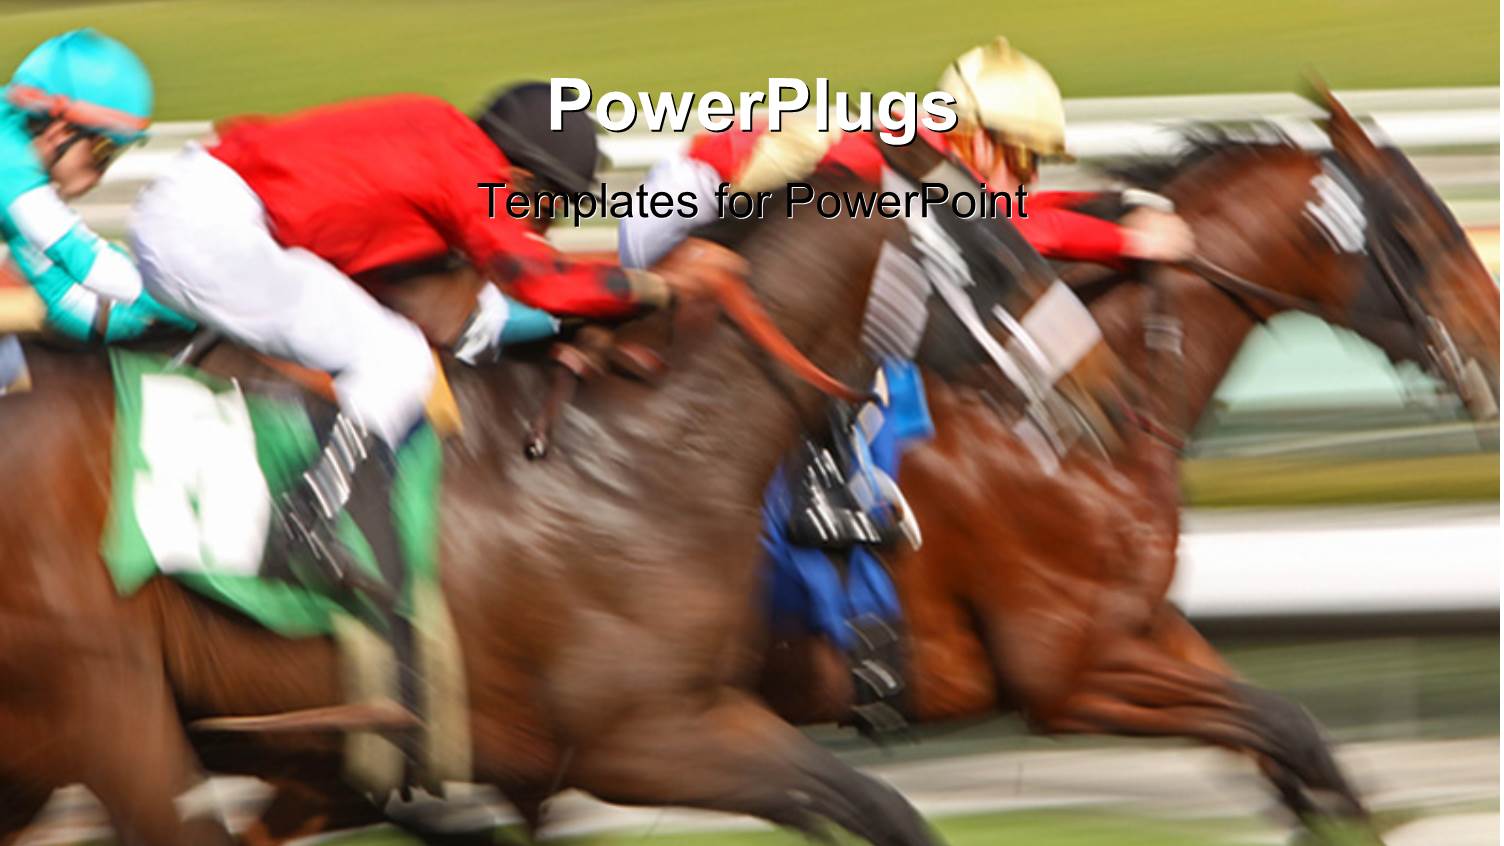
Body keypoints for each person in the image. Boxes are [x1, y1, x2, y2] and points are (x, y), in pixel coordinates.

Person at [128, 81, 736, 586]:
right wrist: (663, 288)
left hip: (203, 209)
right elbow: (534, 278)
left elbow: (454, 317)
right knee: (396, 361)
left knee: (379, 338)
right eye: (546, 209)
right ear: (520, 178)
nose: (545, 230)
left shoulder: (436, 150)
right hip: (210, 227)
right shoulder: (472, 170)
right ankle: (305, 524)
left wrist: (559, 323)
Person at [619, 36, 1195, 270]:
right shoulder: (916, 160)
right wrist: (1128, 239)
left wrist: (1108, 202)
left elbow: (1020, 214)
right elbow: (1020, 232)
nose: (1028, 177)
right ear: (978, 137)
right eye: (1024, 160)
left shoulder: (931, 150)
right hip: (681, 216)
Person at [0, 28, 190, 394]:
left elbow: (58, 294)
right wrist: (187, 308)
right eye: (103, 150)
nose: (102, 173)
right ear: (60, 131)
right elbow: (85, 260)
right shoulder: (10, 165)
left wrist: (118, 317)